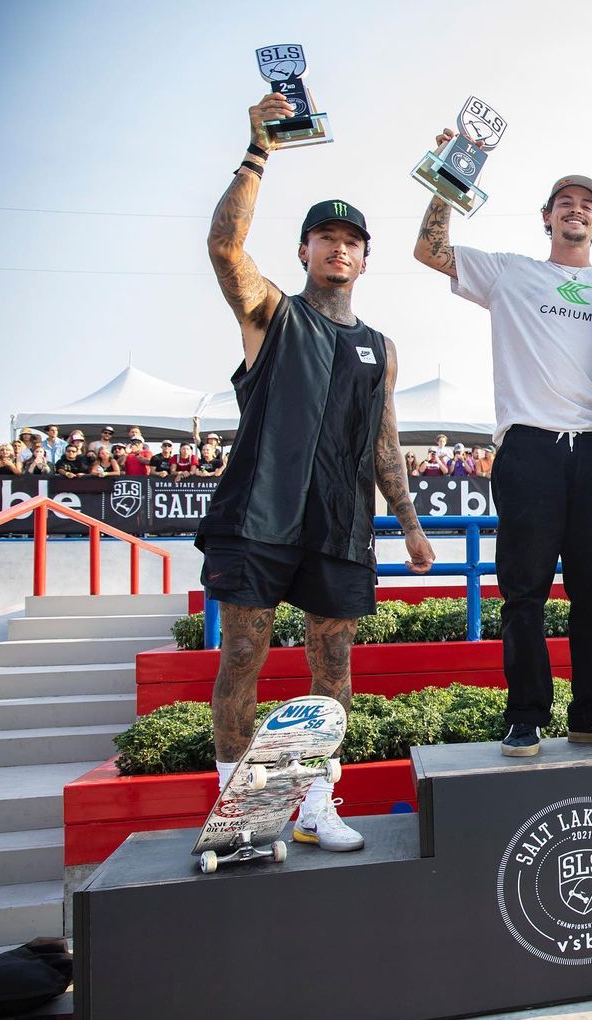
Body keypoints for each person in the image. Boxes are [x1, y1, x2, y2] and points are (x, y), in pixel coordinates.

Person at [197, 91, 435, 852]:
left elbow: (385, 441)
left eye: (351, 241)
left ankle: (314, 807)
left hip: (340, 524)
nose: (339, 248)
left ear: (365, 258)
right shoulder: (272, 315)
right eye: (325, 238)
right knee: (243, 655)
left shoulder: (380, 347)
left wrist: (409, 523)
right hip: (259, 516)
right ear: (304, 251)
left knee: (333, 665)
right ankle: (235, 811)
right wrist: (257, 150)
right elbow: (225, 249)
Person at [415, 154, 592, 757]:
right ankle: (525, 716)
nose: (576, 210)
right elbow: (430, 250)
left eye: (587, 205)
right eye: (565, 202)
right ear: (547, 217)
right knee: (524, 592)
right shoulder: (510, 272)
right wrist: (451, 175)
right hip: (529, 444)